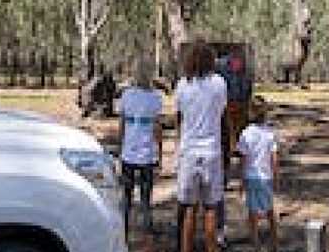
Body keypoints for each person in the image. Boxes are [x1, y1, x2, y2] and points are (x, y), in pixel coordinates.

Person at [175, 41, 227, 252]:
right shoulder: (219, 83)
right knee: (211, 208)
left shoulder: (182, 85)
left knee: (189, 209)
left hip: (189, 152)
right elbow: (221, 113)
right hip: (212, 152)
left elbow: (179, 116)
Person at [118, 65, 163, 240]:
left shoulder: (126, 95)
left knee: (127, 195)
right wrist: (159, 151)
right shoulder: (155, 98)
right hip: (147, 153)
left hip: (129, 152)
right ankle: (147, 230)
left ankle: (124, 230)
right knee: (146, 195)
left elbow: (122, 124)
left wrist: (121, 145)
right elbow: (157, 128)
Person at [238, 96, 279, 252]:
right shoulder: (270, 133)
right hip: (266, 177)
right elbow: (274, 158)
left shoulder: (246, 134)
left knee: (252, 213)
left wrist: (241, 181)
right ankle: (274, 242)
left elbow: (243, 159)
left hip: (251, 177)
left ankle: (256, 245)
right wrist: (275, 176)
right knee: (269, 211)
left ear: (250, 113)